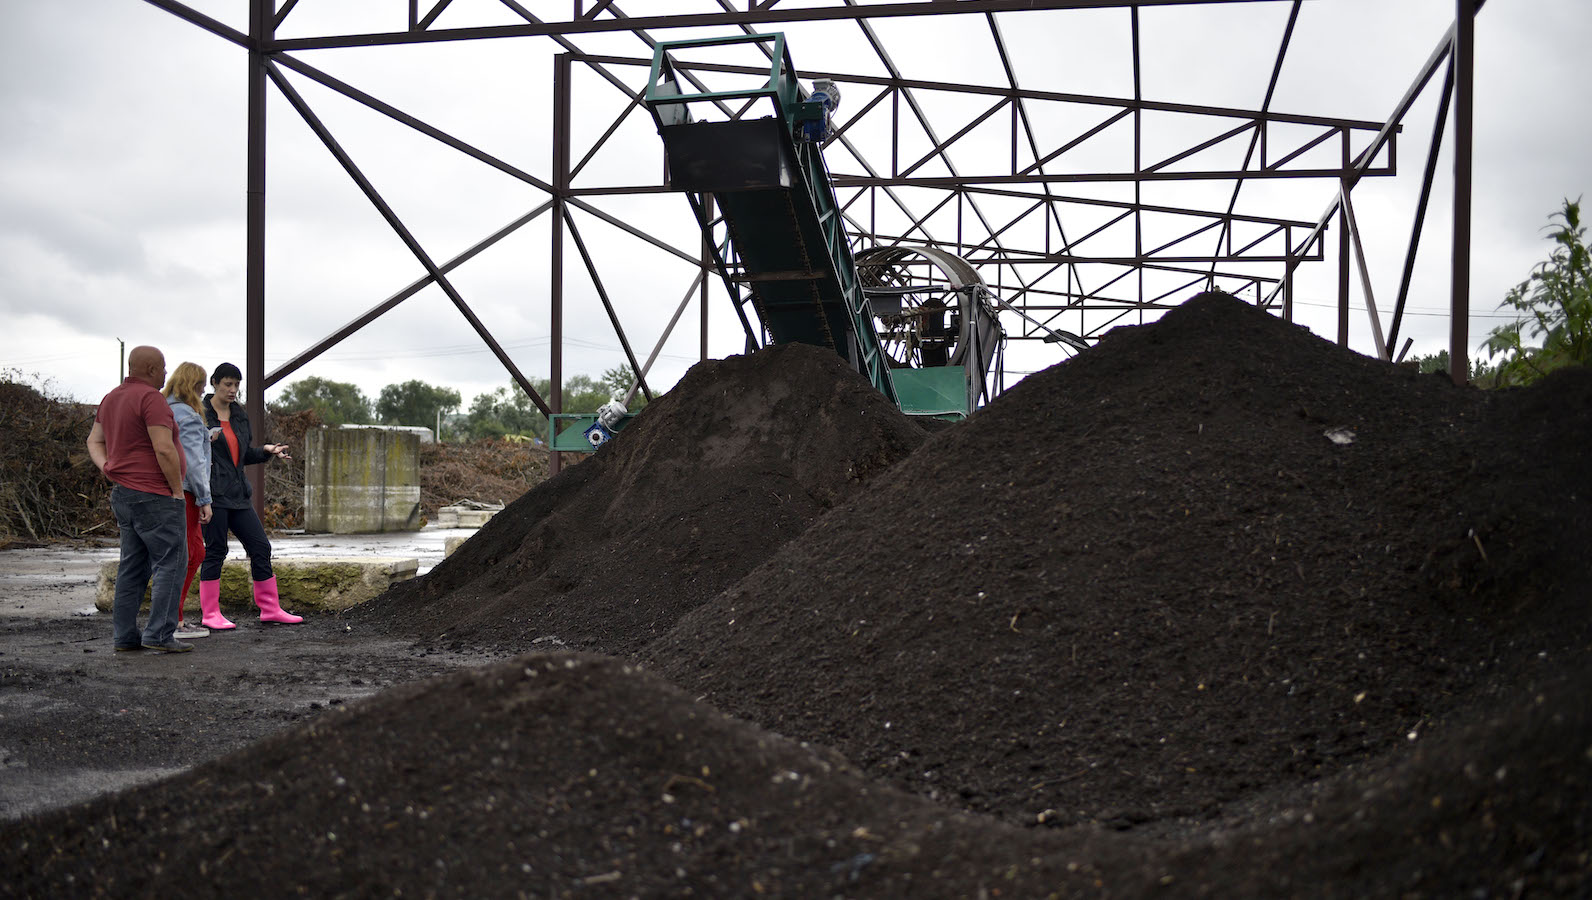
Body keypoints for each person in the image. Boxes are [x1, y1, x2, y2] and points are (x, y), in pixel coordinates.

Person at [86, 345, 193, 653]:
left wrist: (107, 466)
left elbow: (94, 440)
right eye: (162, 368)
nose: (165, 374)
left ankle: (124, 637)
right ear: (149, 370)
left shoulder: (112, 398)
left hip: (124, 494)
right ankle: (159, 634)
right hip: (155, 495)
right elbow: (163, 448)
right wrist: (175, 490)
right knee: (171, 563)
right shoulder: (151, 399)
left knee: (132, 567)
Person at [198, 362, 302, 625]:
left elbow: (242, 455)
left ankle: (270, 609)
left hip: (238, 494)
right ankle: (210, 614)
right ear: (214, 383)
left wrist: (266, 450)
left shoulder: (239, 415)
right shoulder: (200, 413)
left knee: (260, 546)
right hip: (212, 494)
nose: (233, 390)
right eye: (228, 384)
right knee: (216, 550)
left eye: (237, 385)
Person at [161, 362, 215, 638]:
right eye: (202, 385)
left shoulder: (165, 409)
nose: (204, 390)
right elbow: (193, 460)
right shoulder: (190, 416)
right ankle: (175, 621)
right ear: (194, 386)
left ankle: (175, 619)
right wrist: (204, 499)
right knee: (191, 554)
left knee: (188, 553)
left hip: (166, 490)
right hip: (188, 492)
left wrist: (207, 436)